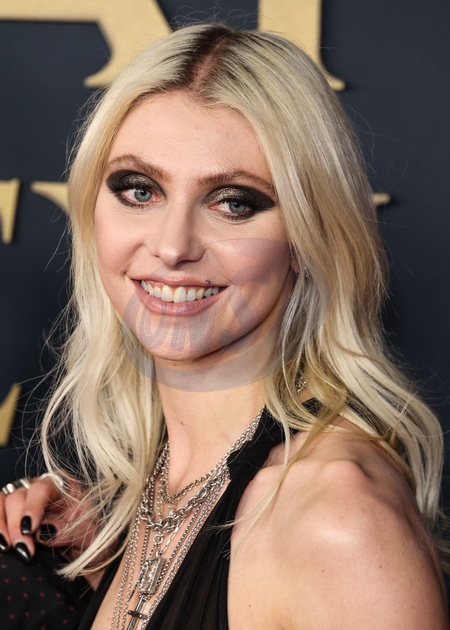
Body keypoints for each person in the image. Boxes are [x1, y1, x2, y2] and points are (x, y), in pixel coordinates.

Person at [0, 22, 448, 629]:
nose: (172, 246)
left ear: (307, 237)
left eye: (233, 202)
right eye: (139, 190)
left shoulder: (338, 523)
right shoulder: (160, 496)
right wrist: (106, 567)